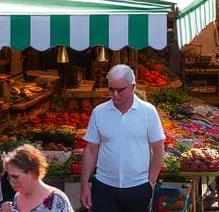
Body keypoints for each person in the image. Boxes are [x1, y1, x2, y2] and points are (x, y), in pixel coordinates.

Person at [80, 64, 165, 212]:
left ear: (133, 87)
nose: (115, 95)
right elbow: (90, 150)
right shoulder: (99, 112)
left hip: (138, 188)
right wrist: (84, 185)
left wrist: (150, 183)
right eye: (111, 90)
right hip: (104, 187)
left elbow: (158, 149)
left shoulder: (148, 112)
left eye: (120, 90)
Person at [1, 144, 73, 212]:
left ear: (32, 173)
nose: (11, 181)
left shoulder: (58, 200)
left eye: (15, 177)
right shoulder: (17, 198)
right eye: (9, 177)